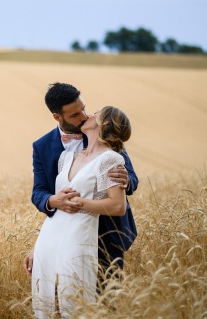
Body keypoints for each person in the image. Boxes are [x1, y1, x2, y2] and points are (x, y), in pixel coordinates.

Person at [31, 104, 134, 318]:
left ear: (104, 123)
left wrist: (79, 203)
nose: (86, 115)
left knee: (86, 302)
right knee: (50, 303)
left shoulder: (111, 157)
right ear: (58, 116)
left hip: (95, 236)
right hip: (51, 237)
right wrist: (37, 245)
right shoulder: (66, 156)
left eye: (90, 111)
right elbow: (42, 192)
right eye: (77, 113)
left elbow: (119, 200)